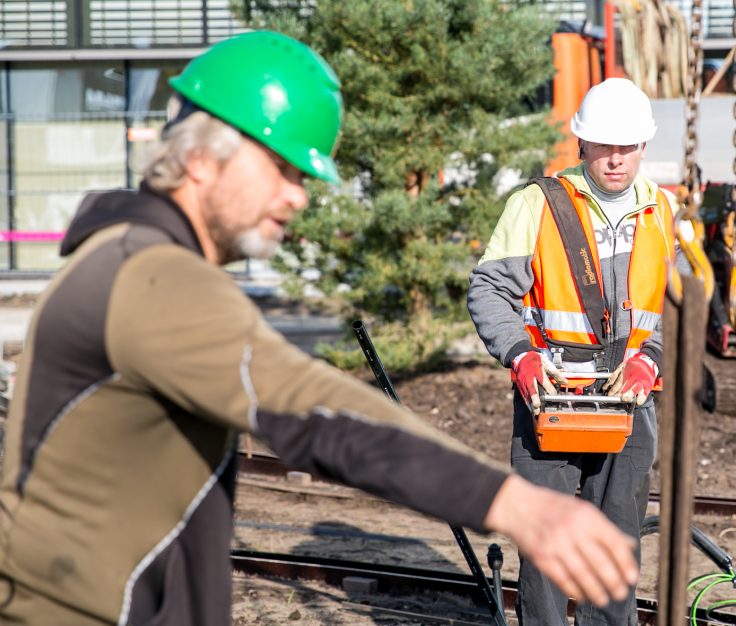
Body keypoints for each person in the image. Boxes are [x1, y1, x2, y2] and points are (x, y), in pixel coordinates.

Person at [0, 31, 641, 626]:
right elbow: (314, 407)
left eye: (305, 177)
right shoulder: (149, 278)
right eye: (284, 169)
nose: (299, 196)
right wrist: (518, 505)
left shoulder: (123, 258)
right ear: (199, 159)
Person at [468, 77, 681, 626]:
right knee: (547, 542)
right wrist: (520, 353)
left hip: (629, 401)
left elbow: (679, 311)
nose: (615, 159)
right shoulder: (537, 205)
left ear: (642, 148)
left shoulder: (664, 213)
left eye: (627, 146)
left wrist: (650, 358)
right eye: (604, 146)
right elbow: (489, 289)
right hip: (550, 396)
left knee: (616, 542)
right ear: (581, 143)